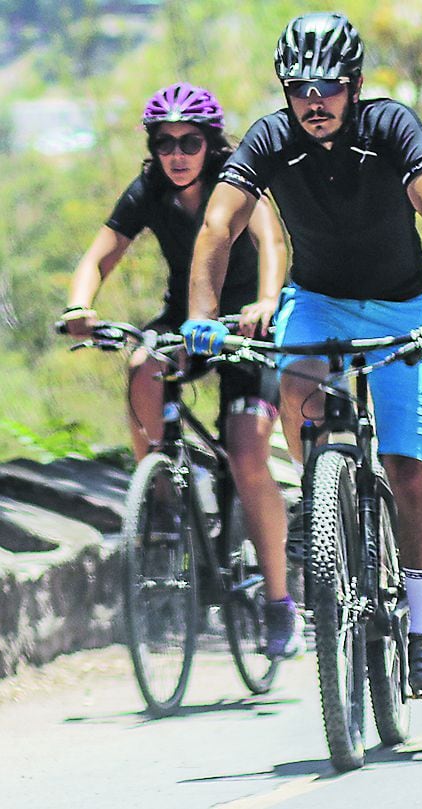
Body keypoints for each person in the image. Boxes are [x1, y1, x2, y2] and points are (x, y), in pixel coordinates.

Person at [179, 12, 422, 700]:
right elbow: (221, 222)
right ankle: (321, 499)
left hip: (402, 307)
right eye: (298, 87)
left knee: (409, 473)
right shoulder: (271, 139)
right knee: (296, 382)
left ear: (354, 85)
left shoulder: (390, 127)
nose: (313, 102)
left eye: (327, 87)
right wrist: (200, 315)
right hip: (316, 300)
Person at [61, 82, 305, 659]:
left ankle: (278, 604)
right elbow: (102, 253)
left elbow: (272, 240)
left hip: (251, 324)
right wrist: (79, 305)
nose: (177, 153)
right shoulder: (149, 190)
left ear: (211, 143)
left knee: (246, 454)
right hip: (189, 319)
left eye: (189, 141)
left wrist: (267, 301)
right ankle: (161, 492)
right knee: (144, 362)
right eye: (165, 142)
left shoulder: (237, 177)